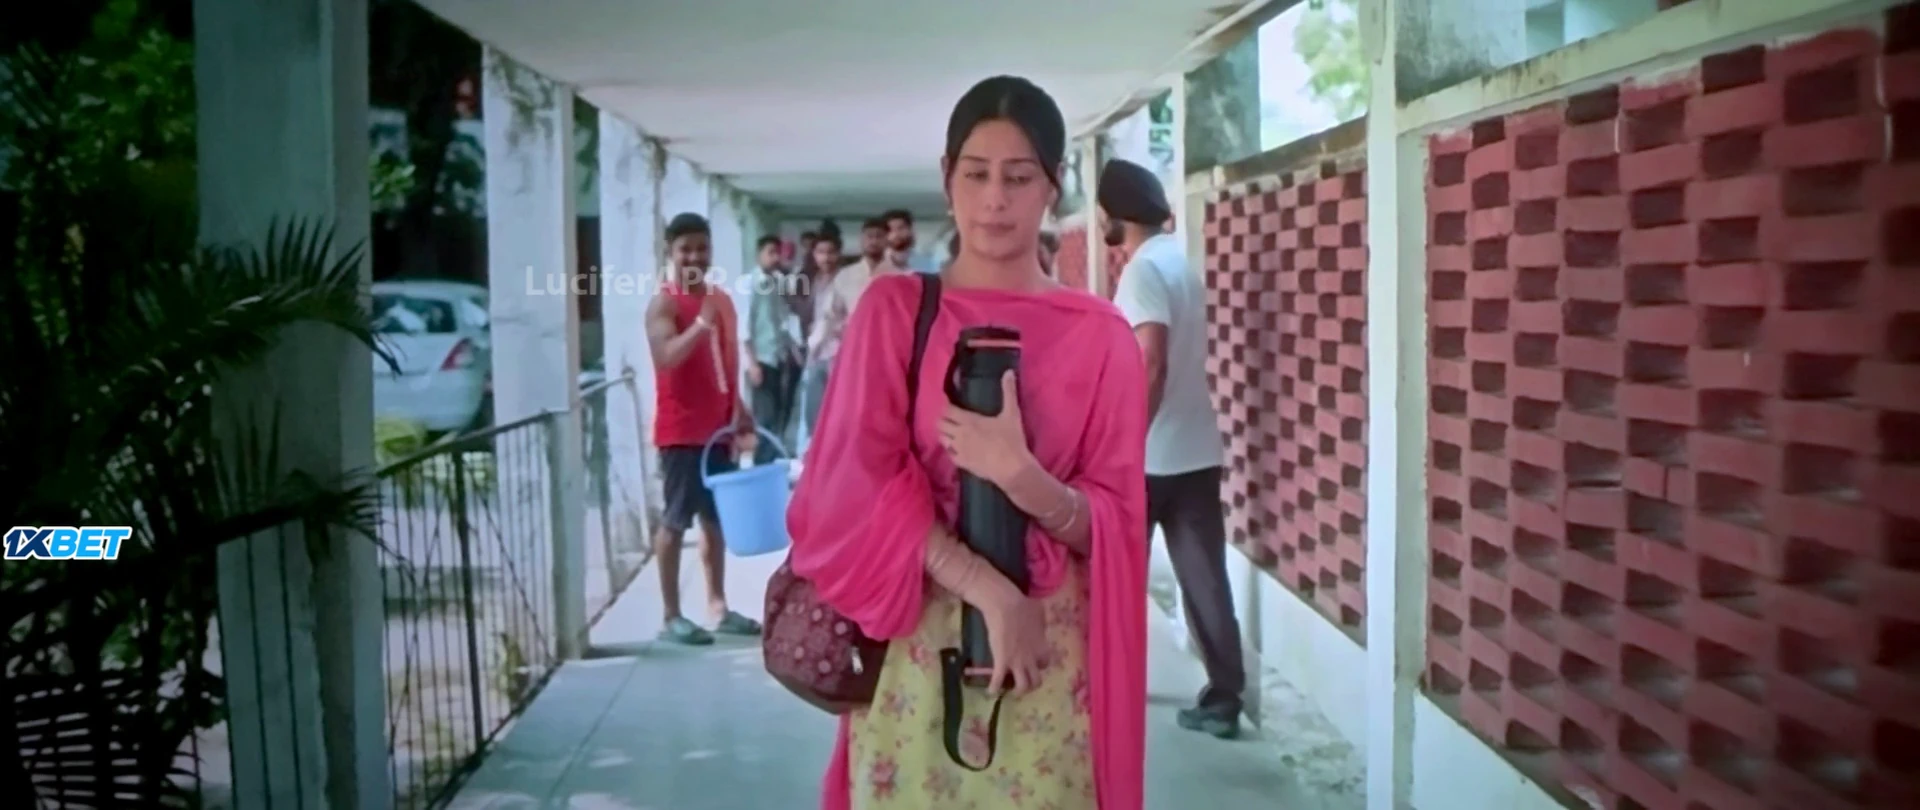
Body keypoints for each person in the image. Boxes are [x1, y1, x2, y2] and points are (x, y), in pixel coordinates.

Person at [788, 75, 1149, 810]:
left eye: (1018, 178)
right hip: (917, 653)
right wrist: (989, 591)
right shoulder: (894, 311)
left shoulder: (1102, 335)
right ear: (946, 177)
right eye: (976, 174)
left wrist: (1023, 479)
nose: (994, 200)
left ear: (1053, 185)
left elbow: (1115, 522)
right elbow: (850, 484)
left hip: (1047, 661)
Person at [1099, 158, 1244, 738]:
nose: (1102, 223)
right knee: (1205, 579)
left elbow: (1150, 360)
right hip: (1197, 450)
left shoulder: (1141, 271)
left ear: (1118, 215)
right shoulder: (1179, 263)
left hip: (1150, 458)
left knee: (1117, 578)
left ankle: (1114, 686)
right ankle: (1225, 698)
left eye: (1104, 214)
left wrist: (1126, 441)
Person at [645, 212, 764, 645]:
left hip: (718, 431)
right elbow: (666, 358)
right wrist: (700, 324)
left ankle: (718, 606)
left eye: (702, 247)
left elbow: (725, 361)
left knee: (714, 522)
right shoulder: (665, 303)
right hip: (680, 433)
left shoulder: (722, 300)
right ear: (670, 252)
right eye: (685, 249)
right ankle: (671, 616)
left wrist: (740, 408)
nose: (695, 257)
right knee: (676, 520)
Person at [744, 234, 805, 457]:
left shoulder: (777, 283)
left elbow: (783, 320)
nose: (775, 258)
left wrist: (793, 349)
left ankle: (772, 461)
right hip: (760, 359)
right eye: (770, 252)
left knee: (779, 413)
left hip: (778, 356)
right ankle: (762, 464)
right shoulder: (749, 283)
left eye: (777, 253)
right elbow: (744, 327)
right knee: (765, 417)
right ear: (759, 255)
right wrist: (752, 363)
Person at [796, 230, 847, 452]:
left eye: (831, 252)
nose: (826, 258)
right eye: (821, 252)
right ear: (814, 255)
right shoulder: (811, 281)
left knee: (840, 411)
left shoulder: (847, 281)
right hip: (816, 354)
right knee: (813, 412)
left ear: (839, 253)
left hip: (841, 354)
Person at [882, 208, 938, 273]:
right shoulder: (877, 262)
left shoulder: (925, 263)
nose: (895, 234)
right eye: (890, 230)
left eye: (901, 228)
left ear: (911, 230)